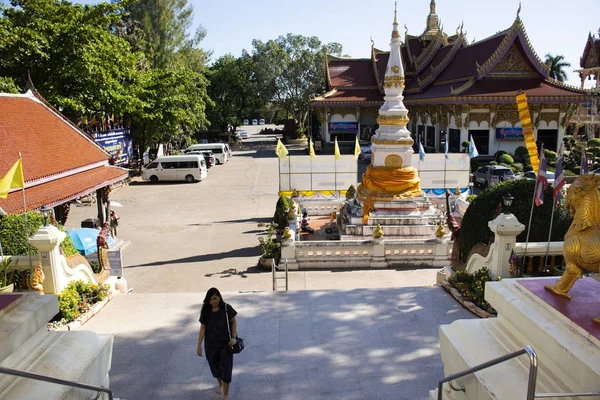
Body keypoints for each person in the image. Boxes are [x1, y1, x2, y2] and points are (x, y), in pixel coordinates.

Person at [197, 288, 238, 400]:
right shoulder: (206, 311)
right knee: (215, 368)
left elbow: (233, 321)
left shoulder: (226, 308)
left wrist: (234, 337)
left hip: (225, 344)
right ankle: (220, 384)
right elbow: (202, 328)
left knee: (226, 369)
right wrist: (199, 345)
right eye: (210, 300)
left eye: (215, 298)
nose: (213, 301)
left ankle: (225, 395)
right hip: (210, 346)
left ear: (219, 297)